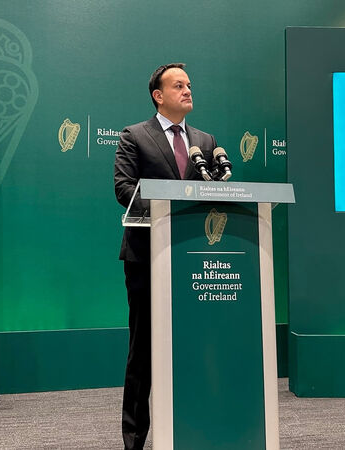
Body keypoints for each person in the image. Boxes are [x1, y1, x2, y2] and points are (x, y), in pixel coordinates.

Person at [113, 63, 218, 450]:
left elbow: (214, 191)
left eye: (189, 85)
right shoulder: (135, 136)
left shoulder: (205, 141)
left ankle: (195, 431)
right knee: (142, 352)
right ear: (158, 96)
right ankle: (134, 440)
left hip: (193, 256)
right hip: (147, 256)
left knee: (196, 347)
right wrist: (171, 204)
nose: (188, 90)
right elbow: (124, 187)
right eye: (178, 85)